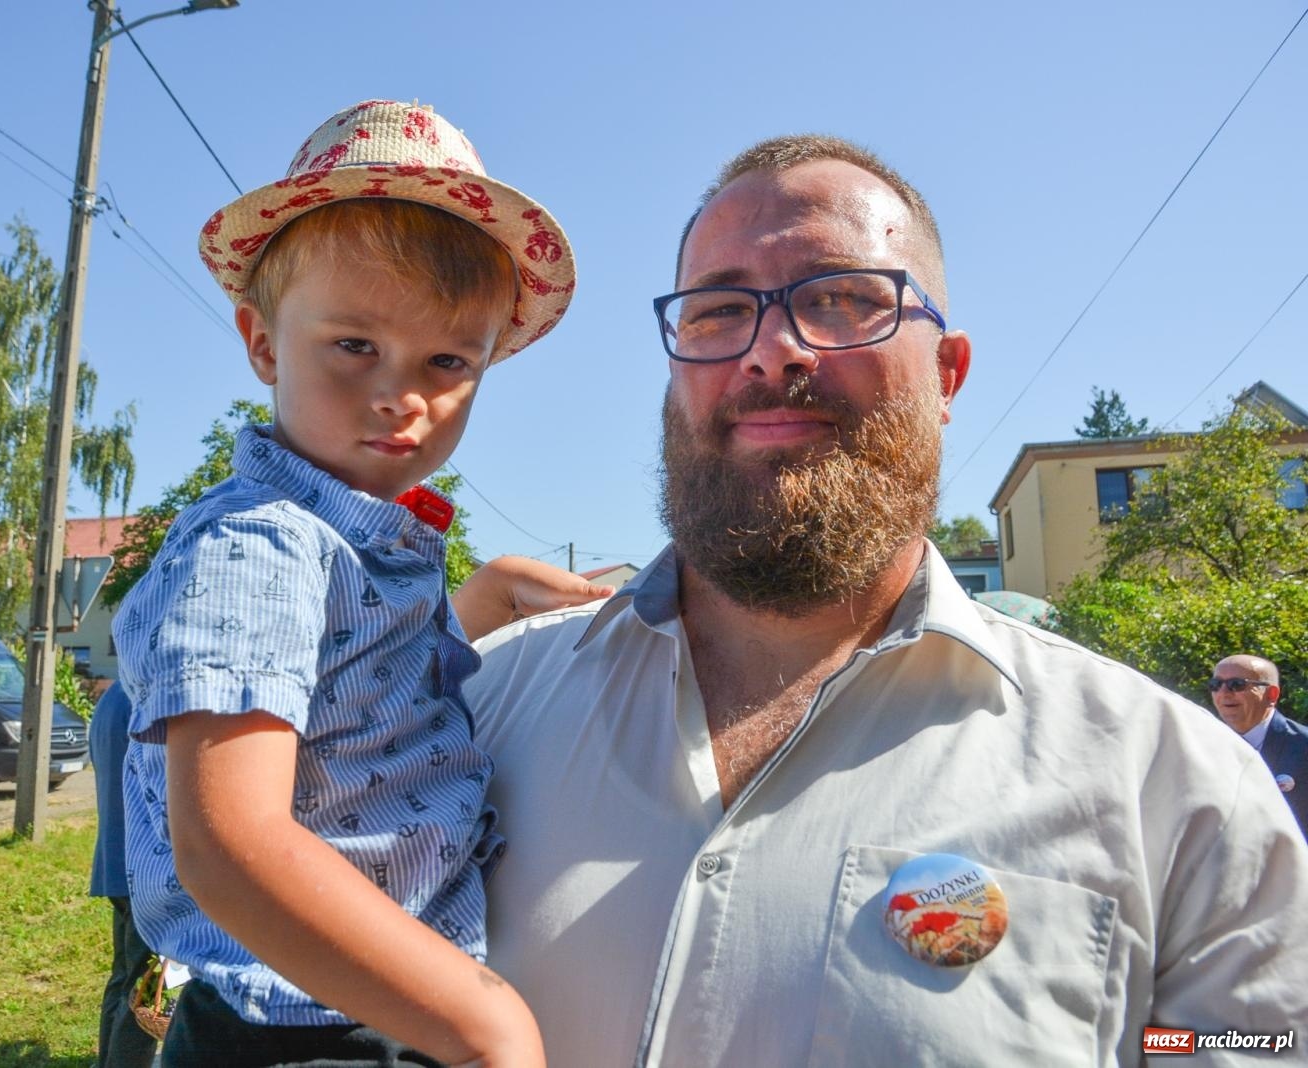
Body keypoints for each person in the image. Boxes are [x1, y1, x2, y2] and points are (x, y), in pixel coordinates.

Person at [465, 134, 1308, 1066]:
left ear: (947, 374)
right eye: (716, 310)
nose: (768, 350)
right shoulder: (477, 711)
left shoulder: (1181, 796)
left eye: (838, 299)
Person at [112, 99, 605, 1067]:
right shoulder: (257, 548)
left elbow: (348, 688)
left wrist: (486, 594)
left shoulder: (343, 546)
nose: (401, 395)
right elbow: (228, 842)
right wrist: (483, 1021)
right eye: (354, 347)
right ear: (262, 342)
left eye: (447, 361)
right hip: (297, 1032)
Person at [87, 681, 156, 1068]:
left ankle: (109, 1061)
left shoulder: (112, 697)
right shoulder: (150, 696)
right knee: (149, 987)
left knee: (125, 977)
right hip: (149, 869)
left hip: (115, 862)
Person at [1210, 654, 1308, 836]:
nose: (1223, 693)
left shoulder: (1303, 747)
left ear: (1271, 694)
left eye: (1236, 684)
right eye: (1215, 685)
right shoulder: (1204, 745)